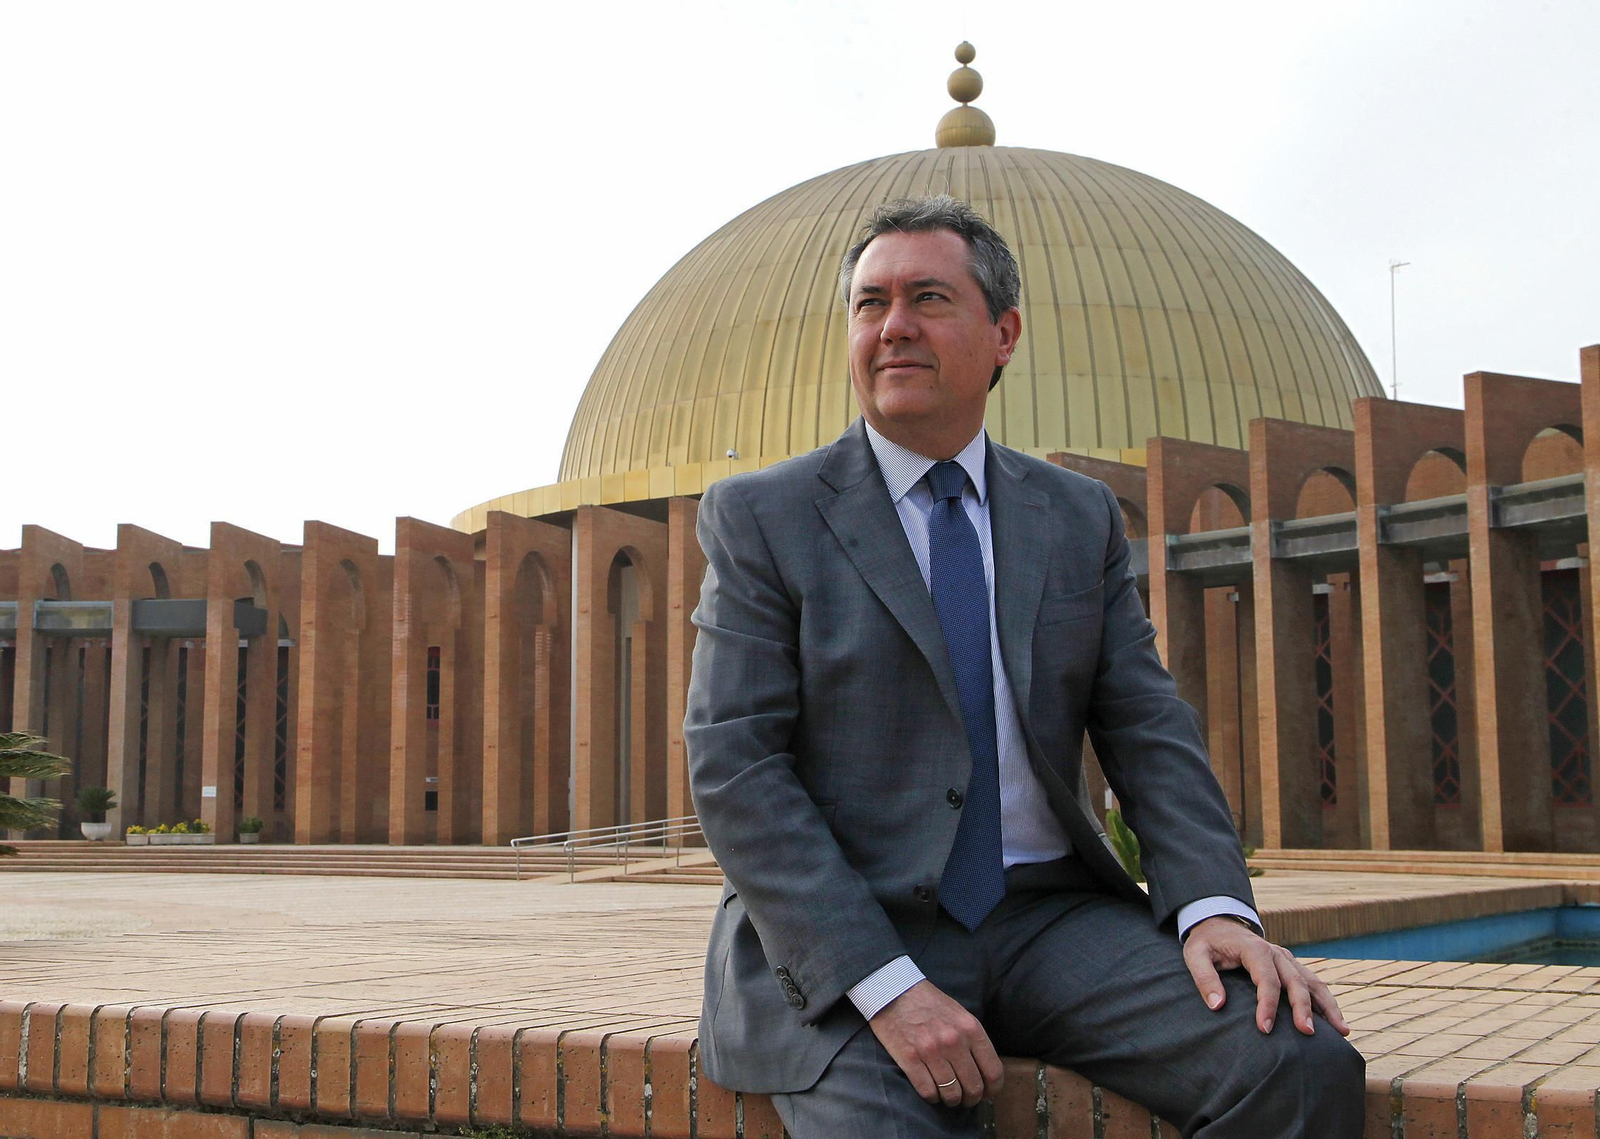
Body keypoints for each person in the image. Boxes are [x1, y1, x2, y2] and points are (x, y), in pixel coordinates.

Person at [684, 195, 1364, 1138]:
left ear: (1003, 333)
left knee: (1296, 1061)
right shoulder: (765, 517)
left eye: (928, 298)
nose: (894, 327)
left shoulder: (1074, 516)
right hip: (859, 933)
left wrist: (1215, 907)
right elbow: (735, 764)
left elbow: (1145, 723)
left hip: (1049, 920)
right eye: (870, 303)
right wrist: (884, 986)